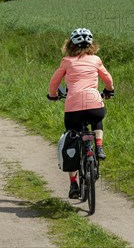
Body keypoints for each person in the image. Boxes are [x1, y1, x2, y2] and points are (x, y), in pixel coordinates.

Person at [47, 27, 114, 199]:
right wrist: (109, 91)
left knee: (72, 140)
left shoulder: (66, 61)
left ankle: (74, 184)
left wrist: (53, 95)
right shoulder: (96, 60)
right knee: (97, 119)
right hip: (94, 104)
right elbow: (107, 78)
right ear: (92, 45)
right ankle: (98, 146)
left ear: (70, 44)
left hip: (73, 107)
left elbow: (55, 81)